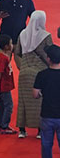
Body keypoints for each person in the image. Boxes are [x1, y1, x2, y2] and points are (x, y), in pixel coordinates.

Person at [16, 10, 53, 138]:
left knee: (23, 102)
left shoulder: (22, 34)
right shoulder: (45, 36)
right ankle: (39, 131)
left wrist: (22, 66)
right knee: (39, 102)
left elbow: (17, 52)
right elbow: (50, 54)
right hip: (40, 71)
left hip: (24, 71)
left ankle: (22, 130)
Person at [33, 44, 60, 158]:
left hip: (47, 115)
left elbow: (35, 94)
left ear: (48, 59)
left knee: (46, 146)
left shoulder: (42, 75)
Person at [0, 34, 17, 135]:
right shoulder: (2, 58)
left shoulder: (4, 57)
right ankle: (4, 125)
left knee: (2, 105)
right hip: (4, 87)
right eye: (11, 43)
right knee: (9, 105)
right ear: (6, 46)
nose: (12, 45)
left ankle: (0, 124)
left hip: (4, 86)